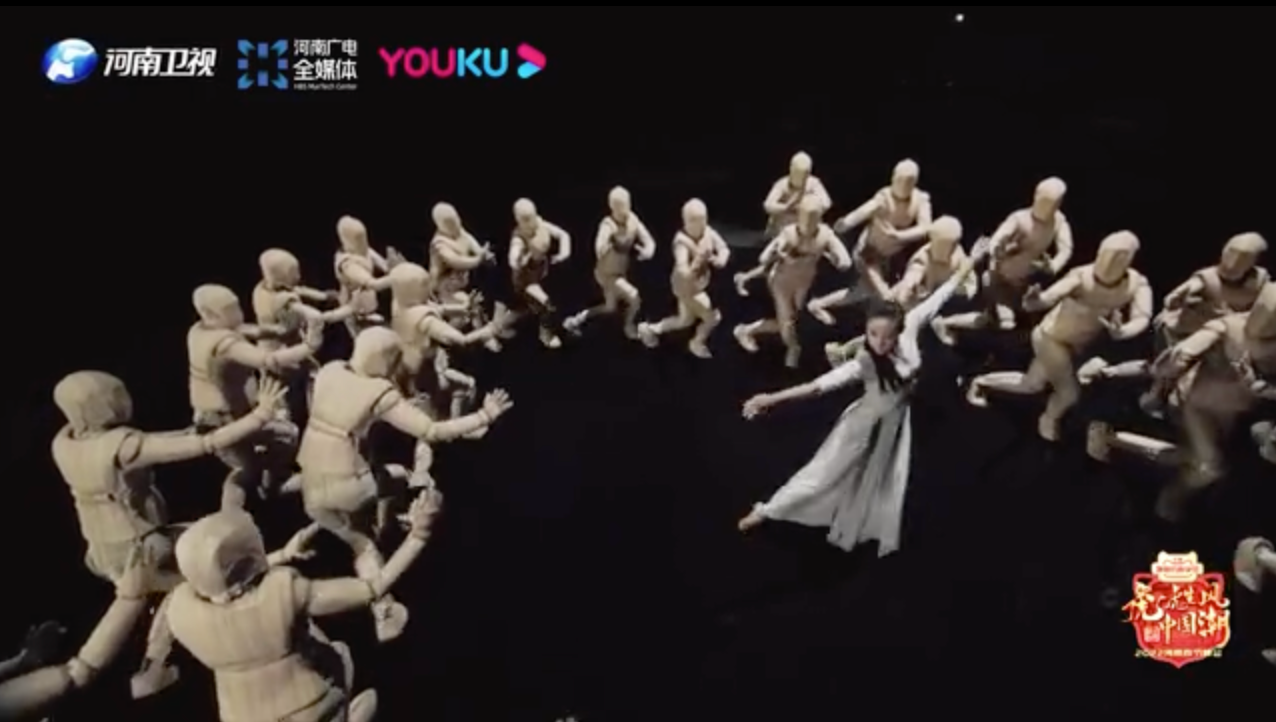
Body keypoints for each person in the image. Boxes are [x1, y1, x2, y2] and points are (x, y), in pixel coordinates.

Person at [735, 236, 990, 553]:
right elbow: (818, 386)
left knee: (881, 480)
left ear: (899, 330)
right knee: (823, 474)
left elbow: (943, 293)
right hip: (863, 423)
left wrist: (973, 260)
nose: (879, 342)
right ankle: (768, 510)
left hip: (894, 421)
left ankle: (859, 519)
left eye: (886, 336)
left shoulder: (911, 323)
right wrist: (770, 399)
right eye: (872, 334)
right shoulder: (865, 362)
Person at [154, 494, 438, 721]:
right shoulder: (284, 596)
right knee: (364, 689)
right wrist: (419, 535)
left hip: (241, 715)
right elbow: (373, 587)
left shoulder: (180, 612)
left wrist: (282, 555)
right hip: (313, 707)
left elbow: (225, 589)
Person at [966, 231, 1152, 442]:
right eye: (1107, 255)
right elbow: (1049, 297)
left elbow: (1142, 317)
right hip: (1051, 338)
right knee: (1069, 393)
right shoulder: (1080, 277)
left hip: (1077, 344)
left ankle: (980, 382)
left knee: (1032, 384)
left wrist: (1123, 331)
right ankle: (1049, 419)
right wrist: (1034, 301)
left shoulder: (1137, 284)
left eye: (1119, 258)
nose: (1109, 264)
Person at [932, 177, 1071, 344]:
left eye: (1052, 204)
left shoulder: (1058, 222)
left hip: (1025, 283)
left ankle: (947, 323)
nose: (1046, 209)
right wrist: (997, 248)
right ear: (1035, 196)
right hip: (998, 279)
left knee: (1001, 320)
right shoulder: (1019, 219)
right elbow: (998, 237)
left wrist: (1053, 265)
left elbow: (1066, 248)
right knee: (1005, 321)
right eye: (1044, 202)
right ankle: (951, 325)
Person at [807, 159, 933, 325]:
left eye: (908, 182)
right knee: (884, 295)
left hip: (890, 257)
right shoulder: (883, 198)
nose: (903, 186)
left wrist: (899, 236)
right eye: (900, 180)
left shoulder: (920, 200)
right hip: (868, 253)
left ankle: (818, 304)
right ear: (893, 178)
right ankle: (890, 323)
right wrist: (845, 224)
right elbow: (862, 212)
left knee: (865, 291)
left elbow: (926, 228)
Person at [733, 197, 851, 367]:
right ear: (799, 216)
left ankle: (749, 330)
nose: (808, 224)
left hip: (804, 282)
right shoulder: (788, 234)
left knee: (792, 319)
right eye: (805, 218)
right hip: (782, 282)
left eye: (813, 219)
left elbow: (845, 261)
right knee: (787, 320)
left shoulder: (825, 235)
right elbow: (764, 257)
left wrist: (837, 258)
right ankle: (791, 346)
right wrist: (777, 252)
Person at [637, 199, 730, 358]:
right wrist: (698, 261)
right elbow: (682, 270)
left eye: (702, 220)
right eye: (694, 221)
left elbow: (723, 248)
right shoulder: (681, 242)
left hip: (698, 284)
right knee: (712, 318)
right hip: (687, 287)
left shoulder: (708, 232)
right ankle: (697, 342)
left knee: (684, 320)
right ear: (685, 221)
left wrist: (721, 259)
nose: (699, 225)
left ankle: (650, 329)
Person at [562, 186, 657, 339]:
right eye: (618, 206)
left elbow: (649, 241)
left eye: (625, 205)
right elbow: (599, 245)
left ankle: (576, 320)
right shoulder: (608, 225)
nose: (623, 210)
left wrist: (647, 251)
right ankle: (629, 326)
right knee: (634, 296)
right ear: (612, 206)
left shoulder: (633, 221)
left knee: (609, 307)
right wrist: (605, 247)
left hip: (620, 272)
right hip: (607, 274)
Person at [508, 198, 572, 348]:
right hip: (526, 280)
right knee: (545, 304)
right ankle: (545, 335)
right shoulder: (519, 238)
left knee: (536, 307)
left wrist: (564, 252)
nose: (531, 223)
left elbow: (563, 235)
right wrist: (517, 260)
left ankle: (509, 319)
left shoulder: (540, 224)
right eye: (525, 220)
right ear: (518, 220)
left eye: (532, 217)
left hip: (542, 272)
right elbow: (513, 256)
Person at [762, 151, 832, 236]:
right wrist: (786, 207)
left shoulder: (814, 183)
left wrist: (808, 207)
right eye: (797, 172)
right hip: (785, 225)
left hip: (807, 226)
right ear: (791, 169)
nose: (800, 176)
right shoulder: (782, 184)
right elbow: (768, 205)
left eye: (804, 174)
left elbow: (826, 202)